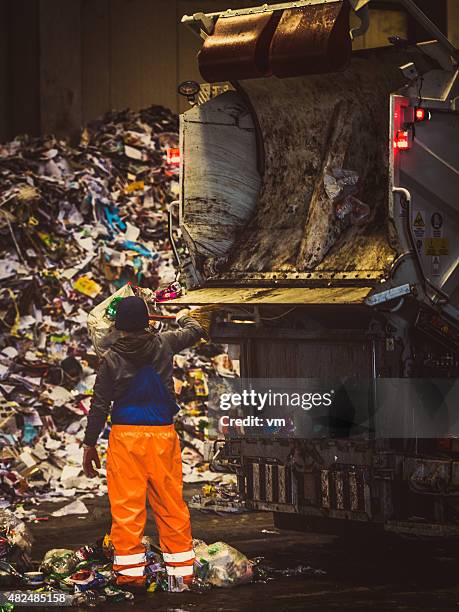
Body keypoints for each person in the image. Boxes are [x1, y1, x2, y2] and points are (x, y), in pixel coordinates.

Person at [82, 296, 211, 590]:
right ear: (148, 322)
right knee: (170, 504)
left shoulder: (110, 359)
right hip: (162, 436)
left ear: (118, 327)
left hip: (126, 438)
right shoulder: (164, 343)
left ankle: (130, 575)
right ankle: (182, 573)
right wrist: (184, 316)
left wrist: (90, 444)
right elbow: (195, 330)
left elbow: (99, 406)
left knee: (127, 508)